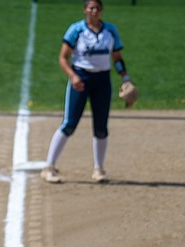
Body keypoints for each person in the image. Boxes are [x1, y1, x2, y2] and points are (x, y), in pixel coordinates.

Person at [40, 0, 132, 185]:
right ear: (84, 10)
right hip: (81, 79)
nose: (94, 11)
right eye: (90, 8)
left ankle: (99, 169)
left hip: (102, 81)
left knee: (101, 127)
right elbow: (63, 58)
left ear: (101, 10)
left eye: (97, 8)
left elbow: (117, 58)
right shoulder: (76, 30)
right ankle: (49, 167)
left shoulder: (110, 31)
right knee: (69, 124)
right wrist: (73, 76)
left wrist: (126, 78)